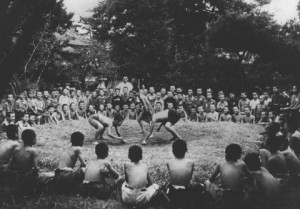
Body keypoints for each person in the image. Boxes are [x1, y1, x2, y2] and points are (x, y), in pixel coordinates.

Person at [205, 144, 252, 208]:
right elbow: (250, 179)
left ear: (226, 154)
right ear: (239, 155)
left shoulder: (221, 165)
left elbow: (211, 180)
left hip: (225, 195)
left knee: (207, 182)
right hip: (240, 194)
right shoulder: (242, 164)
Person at [166, 140, 205, 208]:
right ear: (185, 150)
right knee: (200, 186)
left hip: (173, 191)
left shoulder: (169, 162)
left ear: (173, 151)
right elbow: (189, 177)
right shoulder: (190, 162)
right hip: (186, 190)